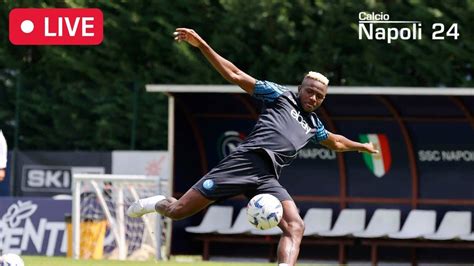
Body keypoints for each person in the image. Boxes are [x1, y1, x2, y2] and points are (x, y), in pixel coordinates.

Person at [127, 28, 378, 266]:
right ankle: (157, 202)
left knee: (295, 226)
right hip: (243, 163)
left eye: (319, 96)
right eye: (309, 91)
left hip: (266, 178)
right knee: (177, 211)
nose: (313, 98)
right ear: (300, 88)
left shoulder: (314, 124)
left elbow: (335, 141)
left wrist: (360, 147)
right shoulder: (279, 96)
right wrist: (202, 45)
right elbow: (236, 75)